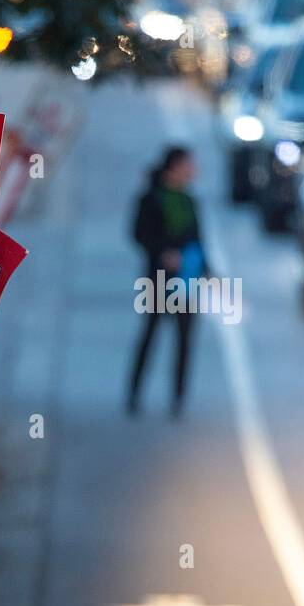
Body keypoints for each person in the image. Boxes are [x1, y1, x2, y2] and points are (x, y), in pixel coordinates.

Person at [127, 146, 208, 418]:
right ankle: (134, 394)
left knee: (184, 340)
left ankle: (178, 400)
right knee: (150, 335)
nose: (192, 170)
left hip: (187, 281)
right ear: (174, 167)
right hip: (158, 279)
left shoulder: (189, 200)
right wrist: (163, 252)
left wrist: (206, 271)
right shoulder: (150, 198)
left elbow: (198, 241)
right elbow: (139, 234)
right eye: (188, 164)